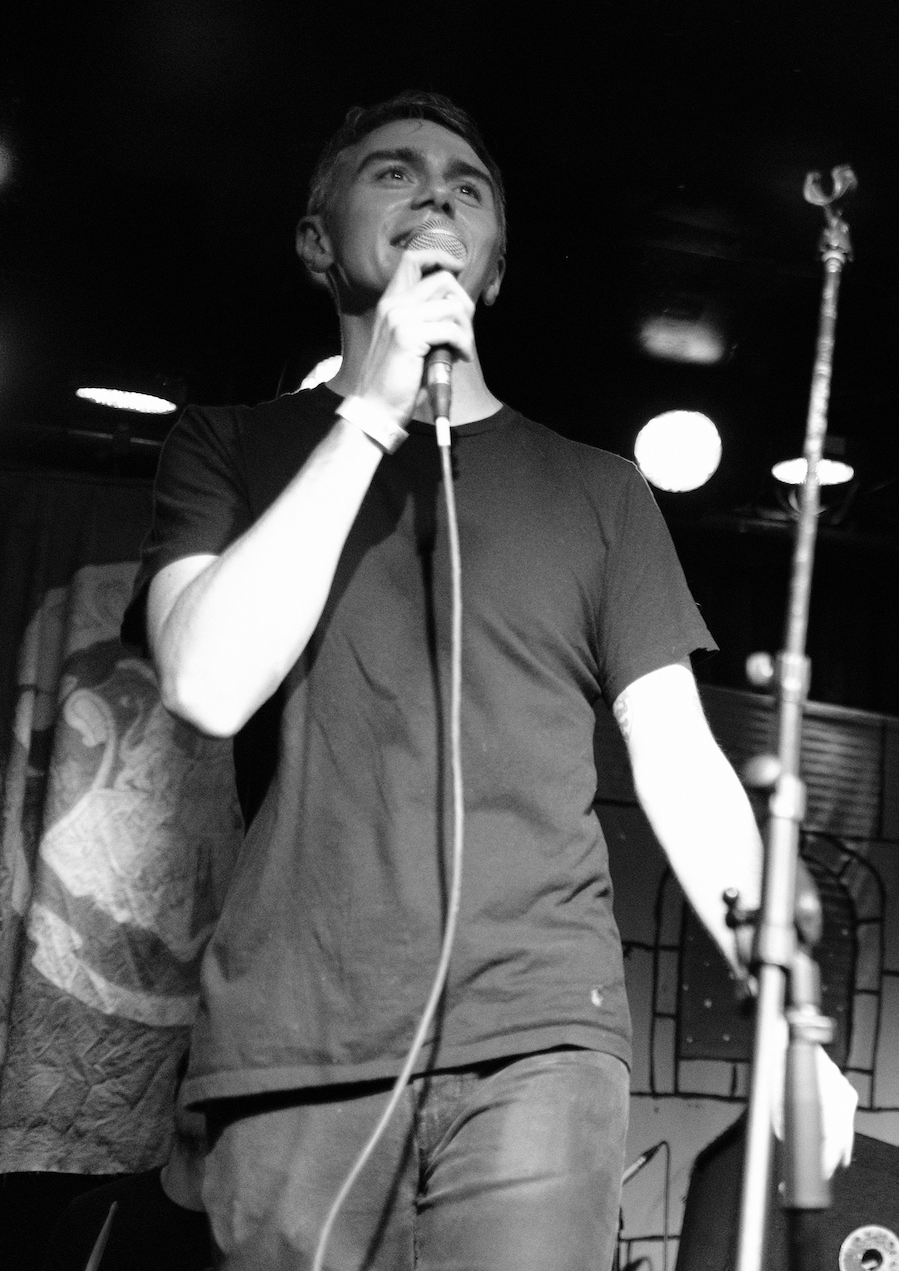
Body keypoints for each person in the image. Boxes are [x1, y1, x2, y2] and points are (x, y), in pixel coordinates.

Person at [123, 91, 776, 1270]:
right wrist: (371, 414)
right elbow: (209, 684)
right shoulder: (228, 447)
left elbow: (679, 758)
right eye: (393, 172)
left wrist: (778, 990)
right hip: (295, 1039)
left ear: (494, 267)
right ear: (317, 241)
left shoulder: (598, 491)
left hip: (540, 1028)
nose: (435, 194)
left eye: (466, 186)